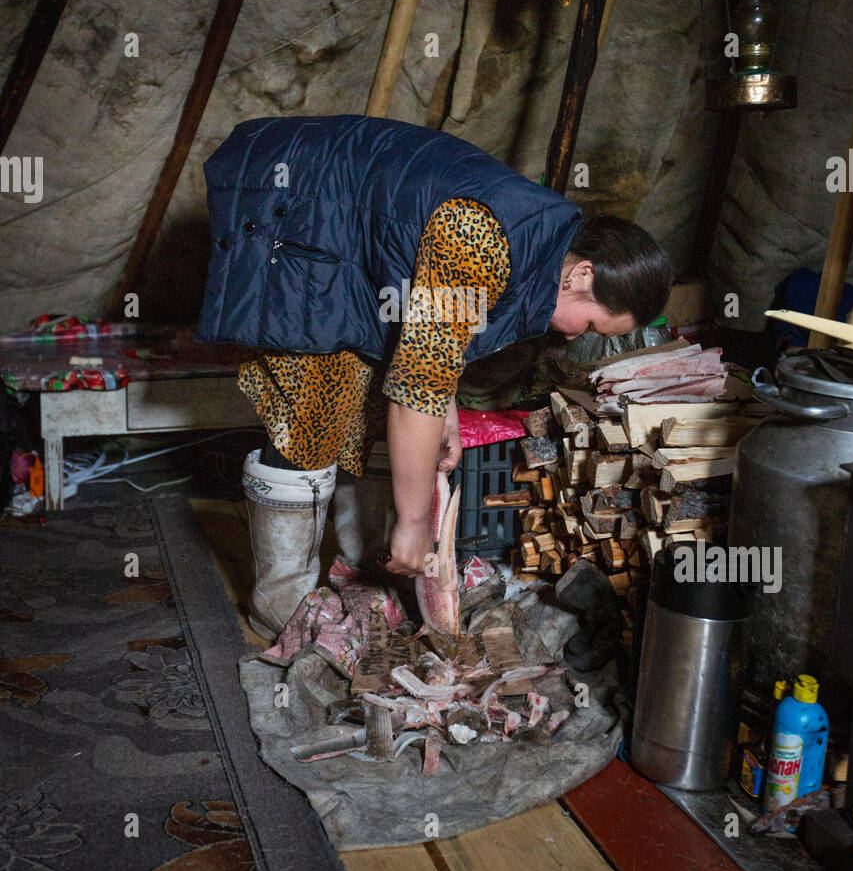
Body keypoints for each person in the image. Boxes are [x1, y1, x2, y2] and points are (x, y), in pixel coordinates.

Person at [197, 114, 673, 640]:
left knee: (374, 408)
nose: (576, 336)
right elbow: (414, 394)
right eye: (592, 324)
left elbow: (436, 340)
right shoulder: (482, 240)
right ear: (582, 275)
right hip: (295, 208)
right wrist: (414, 524)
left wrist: (444, 406)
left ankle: (365, 573)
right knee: (311, 413)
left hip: (354, 239)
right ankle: (279, 602)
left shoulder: (548, 240)